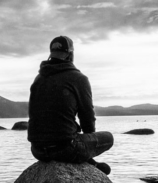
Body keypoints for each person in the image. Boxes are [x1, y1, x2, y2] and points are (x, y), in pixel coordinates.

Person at [27, 35, 113, 175]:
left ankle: (90, 162)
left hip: (37, 150)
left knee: (71, 136)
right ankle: (90, 162)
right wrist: (87, 143)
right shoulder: (78, 78)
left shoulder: (38, 79)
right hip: (65, 149)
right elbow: (87, 117)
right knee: (108, 138)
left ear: (51, 54)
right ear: (70, 54)